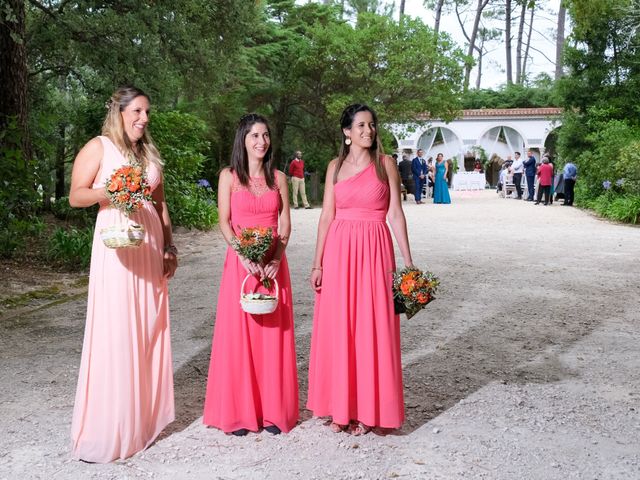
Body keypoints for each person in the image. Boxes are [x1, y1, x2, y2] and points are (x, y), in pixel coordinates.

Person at [69, 86, 177, 463]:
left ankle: (141, 420)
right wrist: (110, 192)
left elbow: (160, 206)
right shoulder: (99, 147)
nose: (144, 119)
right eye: (137, 111)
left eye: (147, 112)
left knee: (146, 330)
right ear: (119, 112)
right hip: (115, 251)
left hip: (147, 250)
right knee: (117, 332)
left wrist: (168, 246)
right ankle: (111, 427)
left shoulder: (148, 154)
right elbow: (76, 195)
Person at [307, 104, 414, 435]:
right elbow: (327, 215)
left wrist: (409, 263)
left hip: (376, 250)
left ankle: (370, 411)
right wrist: (317, 262)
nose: (369, 131)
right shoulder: (334, 167)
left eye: (372, 125)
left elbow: (395, 214)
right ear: (347, 132)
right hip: (340, 250)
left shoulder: (386, 165)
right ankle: (341, 409)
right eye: (362, 126)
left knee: (373, 327)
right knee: (341, 328)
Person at [203, 113, 298, 436]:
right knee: (238, 337)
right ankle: (239, 411)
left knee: (273, 336)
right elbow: (225, 222)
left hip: (272, 265)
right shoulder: (228, 177)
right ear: (243, 140)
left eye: (265, 135)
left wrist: (277, 258)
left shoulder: (279, 178)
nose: (261, 141)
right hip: (241, 266)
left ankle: (273, 411)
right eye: (254, 136)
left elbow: (285, 224)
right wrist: (243, 256)